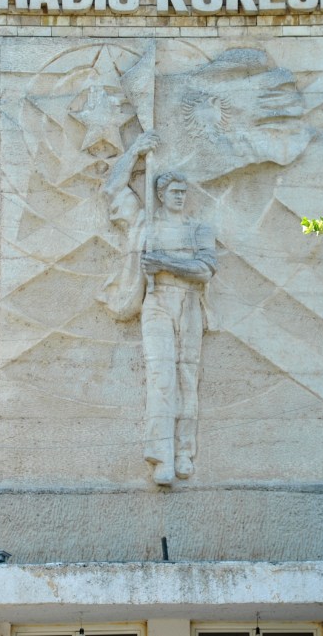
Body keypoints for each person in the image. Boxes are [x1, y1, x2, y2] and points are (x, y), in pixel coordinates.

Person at [99, 131, 217, 485]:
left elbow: (205, 270)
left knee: (187, 379)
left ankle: (184, 453)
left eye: (183, 191)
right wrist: (135, 151)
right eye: (174, 191)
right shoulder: (144, 224)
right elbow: (113, 189)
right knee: (161, 378)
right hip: (157, 302)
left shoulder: (199, 229)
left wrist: (164, 262)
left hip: (189, 303)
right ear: (161, 195)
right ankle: (161, 455)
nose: (180, 196)